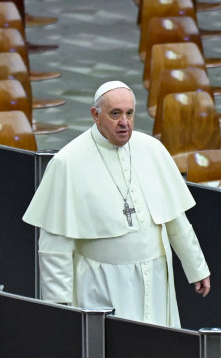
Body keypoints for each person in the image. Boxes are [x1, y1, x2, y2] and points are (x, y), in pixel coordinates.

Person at [22, 80, 210, 328]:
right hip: (101, 284)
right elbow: (54, 244)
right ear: (96, 115)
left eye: (130, 113)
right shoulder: (68, 162)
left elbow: (175, 219)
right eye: (115, 114)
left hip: (154, 279)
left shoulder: (152, 150)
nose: (125, 122)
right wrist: (59, 306)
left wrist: (196, 267)